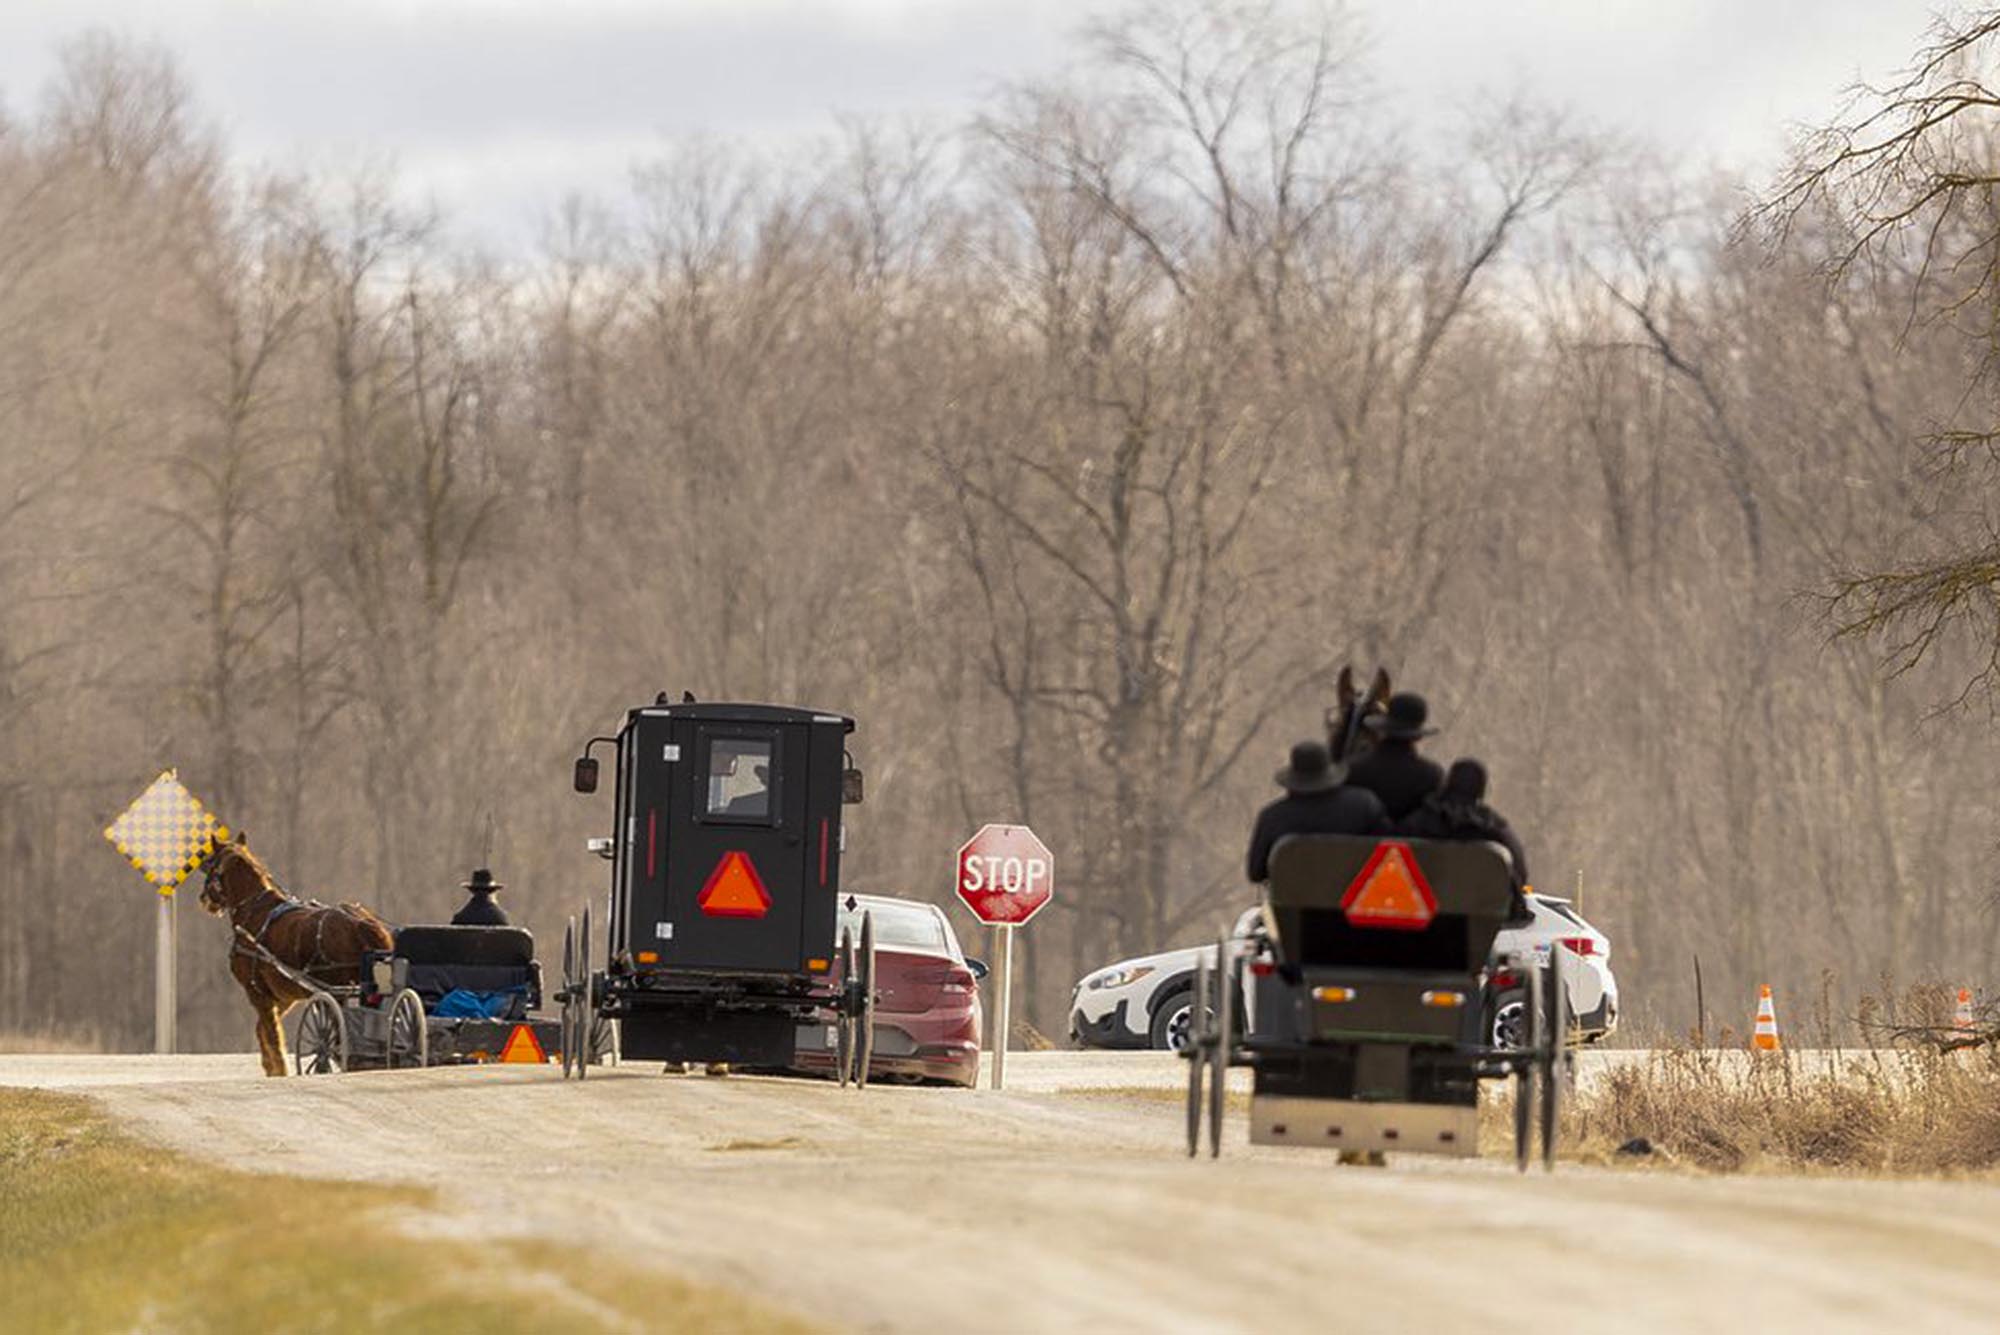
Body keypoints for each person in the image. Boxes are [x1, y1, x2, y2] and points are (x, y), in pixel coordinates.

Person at [1246, 740, 1391, 883]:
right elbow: (1390, 849)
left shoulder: (1272, 817)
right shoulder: (1365, 805)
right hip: (1356, 899)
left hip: (1294, 903)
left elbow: (1256, 873)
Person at [1398, 758, 1530, 888]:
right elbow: (1520, 875)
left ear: (1447, 783)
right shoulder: (1495, 830)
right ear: (1481, 790)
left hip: (1422, 906)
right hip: (1483, 908)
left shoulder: (1419, 822)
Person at [1344, 691, 1445, 822]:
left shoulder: (1353, 768)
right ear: (1418, 736)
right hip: (1411, 842)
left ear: (1383, 728)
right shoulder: (1431, 774)